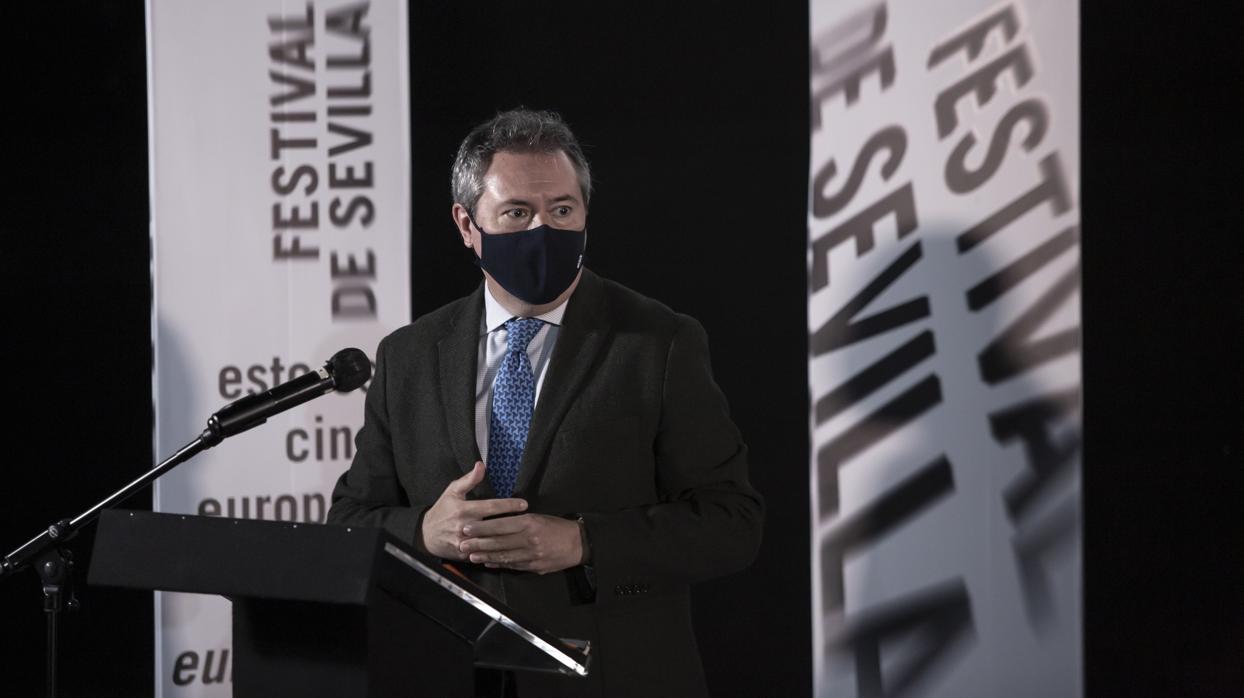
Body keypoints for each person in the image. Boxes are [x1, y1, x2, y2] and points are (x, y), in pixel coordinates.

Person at [327, 108, 763, 697]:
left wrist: (584, 541)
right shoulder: (408, 355)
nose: (543, 231)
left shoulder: (658, 342)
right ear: (466, 223)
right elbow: (352, 521)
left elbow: (732, 523)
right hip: (445, 671)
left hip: (612, 677)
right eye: (516, 213)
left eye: (562, 210)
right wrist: (426, 532)